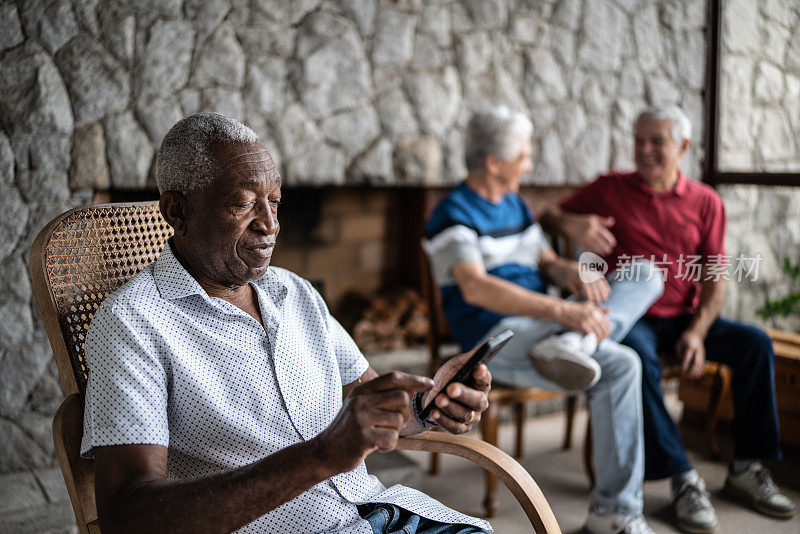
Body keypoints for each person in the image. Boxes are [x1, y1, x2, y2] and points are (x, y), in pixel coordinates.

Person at [80, 112, 494, 534]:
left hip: (383, 515)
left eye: (274, 202)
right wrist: (321, 456)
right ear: (177, 211)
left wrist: (430, 403)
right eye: (243, 203)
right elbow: (128, 518)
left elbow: (372, 401)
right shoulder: (132, 324)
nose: (271, 224)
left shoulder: (294, 292)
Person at [547, 104, 796, 533]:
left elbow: (716, 278)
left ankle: (745, 468)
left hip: (684, 316)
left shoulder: (706, 202)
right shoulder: (609, 188)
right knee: (635, 358)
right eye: (639, 140)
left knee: (755, 342)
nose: (644, 150)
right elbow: (545, 212)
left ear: (682, 146)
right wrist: (572, 222)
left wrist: (698, 333)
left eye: (656, 141)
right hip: (632, 314)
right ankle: (683, 477)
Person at [423, 106, 664, 534]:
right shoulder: (452, 213)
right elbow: (476, 287)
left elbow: (545, 258)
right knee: (622, 363)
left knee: (646, 273)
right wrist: (564, 311)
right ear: (494, 162)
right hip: (495, 337)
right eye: (525, 154)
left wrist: (568, 273)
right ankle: (616, 513)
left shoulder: (514, 204)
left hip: (550, 323)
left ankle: (575, 345)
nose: (530, 163)